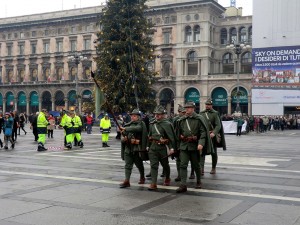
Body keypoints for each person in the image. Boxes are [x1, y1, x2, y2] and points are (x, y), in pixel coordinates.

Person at [176, 101, 213, 193]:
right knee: (183, 165)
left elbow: (203, 133)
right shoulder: (182, 120)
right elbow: (178, 132)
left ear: (193, 109)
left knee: (196, 165)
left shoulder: (199, 119)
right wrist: (180, 136)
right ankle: (183, 184)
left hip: (194, 146)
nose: (187, 109)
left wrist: (201, 143)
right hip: (184, 146)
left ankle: (199, 181)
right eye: (186, 108)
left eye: (189, 108)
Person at [147, 105, 177, 191]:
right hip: (153, 147)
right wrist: (148, 146)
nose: (157, 115)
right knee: (153, 165)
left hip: (163, 148)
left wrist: (171, 148)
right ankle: (153, 183)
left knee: (165, 165)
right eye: (156, 114)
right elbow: (149, 135)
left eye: (159, 114)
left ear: (163, 115)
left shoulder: (167, 124)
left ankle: (167, 177)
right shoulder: (152, 124)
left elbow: (171, 137)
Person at [118, 109, 148, 188]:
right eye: (132, 116)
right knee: (128, 165)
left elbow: (137, 129)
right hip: (128, 148)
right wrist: (123, 139)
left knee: (139, 165)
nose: (132, 117)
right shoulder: (128, 125)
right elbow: (123, 136)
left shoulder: (141, 124)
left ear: (138, 117)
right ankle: (127, 180)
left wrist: (125, 129)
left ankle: (142, 176)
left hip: (137, 149)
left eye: (134, 116)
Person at [199, 99, 226, 175]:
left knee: (213, 153)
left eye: (209, 105)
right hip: (204, 136)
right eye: (206, 104)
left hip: (212, 137)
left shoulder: (215, 113)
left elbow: (218, 125)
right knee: (202, 152)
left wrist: (214, 133)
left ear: (211, 105)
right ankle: (201, 168)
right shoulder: (201, 113)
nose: (207, 106)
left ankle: (213, 168)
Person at [172, 104, 186, 182]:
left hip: (186, 141)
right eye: (181, 112)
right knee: (178, 159)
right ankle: (179, 175)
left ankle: (192, 173)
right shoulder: (175, 119)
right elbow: (173, 130)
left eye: (184, 112)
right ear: (178, 112)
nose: (183, 114)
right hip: (178, 141)